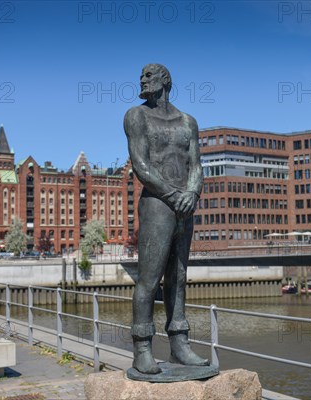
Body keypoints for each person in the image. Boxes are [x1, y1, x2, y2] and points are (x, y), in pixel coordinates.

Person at [124, 63, 207, 374]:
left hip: (185, 205)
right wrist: (174, 195)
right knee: (148, 279)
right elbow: (140, 165)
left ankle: (179, 344)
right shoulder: (137, 116)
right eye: (141, 75)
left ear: (165, 80)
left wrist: (192, 193)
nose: (142, 79)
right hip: (158, 204)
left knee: (179, 277)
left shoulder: (189, 122)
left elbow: (197, 164)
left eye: (149, 75)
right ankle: (142, 347)